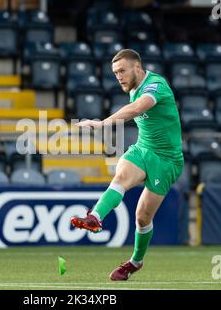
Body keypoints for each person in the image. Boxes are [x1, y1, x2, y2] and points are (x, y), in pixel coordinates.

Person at [70, 49, 184, 281]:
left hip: (167, 160)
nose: (118, 76)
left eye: (122, 71)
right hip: (143, 150)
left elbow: (137, 109)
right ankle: (96, 217)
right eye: (115, 73)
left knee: (142, 217)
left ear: (138, 68)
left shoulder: (155, 85)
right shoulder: (133, 88)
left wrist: (104, 123)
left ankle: (135, 262)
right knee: (121, 176)